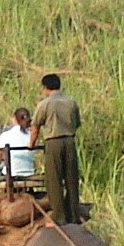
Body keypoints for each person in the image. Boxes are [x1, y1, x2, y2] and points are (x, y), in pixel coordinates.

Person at [30, 73, 82, 223]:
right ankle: (74, 213)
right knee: (71, 178)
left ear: (46, 88)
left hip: (53, 142)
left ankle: (59, 216)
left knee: (54, 180)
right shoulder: (71, 102)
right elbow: (76, 123)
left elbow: (36, 126)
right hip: (70, 141)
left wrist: (31, 144)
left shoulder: (45, 104)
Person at [0, 107, 37, 181]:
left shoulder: (6, 135)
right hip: (29, 172)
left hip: (12, 174)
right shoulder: (31, 136)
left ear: (14, 119)